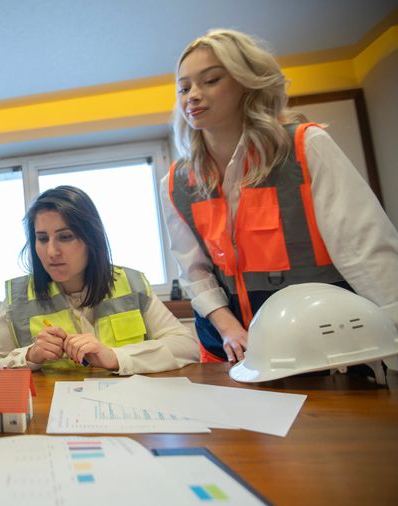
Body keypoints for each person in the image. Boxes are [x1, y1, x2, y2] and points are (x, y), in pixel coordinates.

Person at [161, 29, 398, 364]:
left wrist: (394, 334)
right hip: (230, 352)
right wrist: (228, 328)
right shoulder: (174, 182)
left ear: (246, 83)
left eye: (210, 80)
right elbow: (194, 271)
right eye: (184, 88)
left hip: (321, 349)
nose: (192, 96)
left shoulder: (305, 146)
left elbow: (365, 251)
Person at [0, 185, 198, 374]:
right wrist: (29, 356)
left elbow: (186, 347)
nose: (51, 251)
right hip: (52, 410)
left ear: (91, 238)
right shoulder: (16, 298)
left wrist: (114, 357)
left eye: (65, 237)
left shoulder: (131, 283)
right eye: (42, 238)